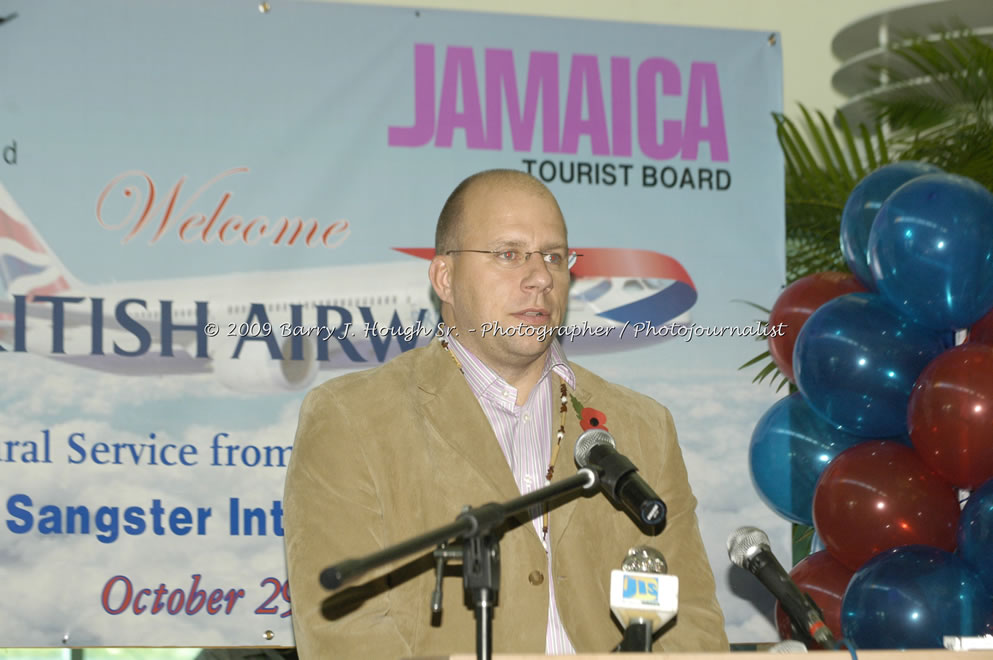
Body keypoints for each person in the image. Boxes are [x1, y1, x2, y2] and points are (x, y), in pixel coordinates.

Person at [283, 169, 728, 658]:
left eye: (554, 257)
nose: (541, 278)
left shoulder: (643, 426)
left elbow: (691, 622)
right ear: (445, 278)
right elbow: (346, 636)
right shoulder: (350, 419)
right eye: (509, 254)